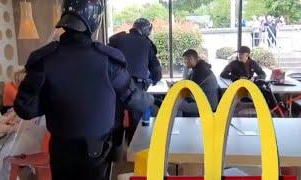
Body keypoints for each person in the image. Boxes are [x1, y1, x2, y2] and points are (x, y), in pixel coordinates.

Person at [13, 0, 153, 179]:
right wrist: (152, 101)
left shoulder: (42, 59)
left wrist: (51, 102)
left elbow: (25, 110)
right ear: (94, 20)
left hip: (60, 151)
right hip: (96, 152)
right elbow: (134, 100)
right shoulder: (109, 60)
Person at [109, 18, 162, 144]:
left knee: (116, 119)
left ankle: (116, 152)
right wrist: (152, 80)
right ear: (145, 30)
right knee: (139, 120)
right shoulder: (146, 44)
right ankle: (136, 149)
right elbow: (156, 70)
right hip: (137, 86)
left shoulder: (118, 38)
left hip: (116, 85)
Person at [177, 49, 219, 117]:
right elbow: (187, 81)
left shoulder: (200, 71)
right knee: (179, 101)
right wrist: (175, 84)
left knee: (177, 104)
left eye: (185, 59)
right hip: (202, 101)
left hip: (208, 106)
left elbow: (187, 89)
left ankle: (180, 125)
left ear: (191, 59)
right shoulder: (199, 67)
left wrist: (174, 86)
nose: (184, 62)